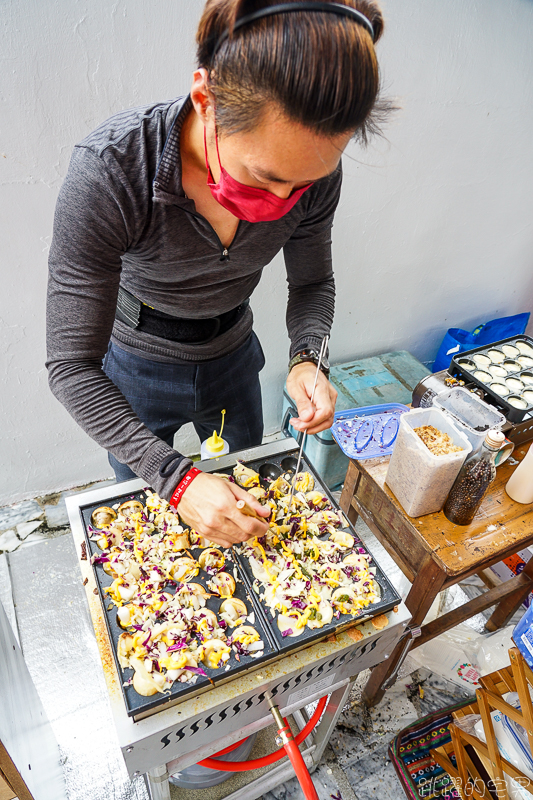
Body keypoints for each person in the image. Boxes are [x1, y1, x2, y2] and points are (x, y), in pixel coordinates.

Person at [46, 0, 388, 547]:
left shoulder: (313, 171)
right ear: (205, 98)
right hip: (137, 363)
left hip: (233, 355)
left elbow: (312, 283)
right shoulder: (111, 173)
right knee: (147, 510)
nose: (280, 202)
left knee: (244, 480)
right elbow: (70, 366)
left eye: (299, 186)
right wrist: (177, 481)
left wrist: (306, 357)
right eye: (261, 176)